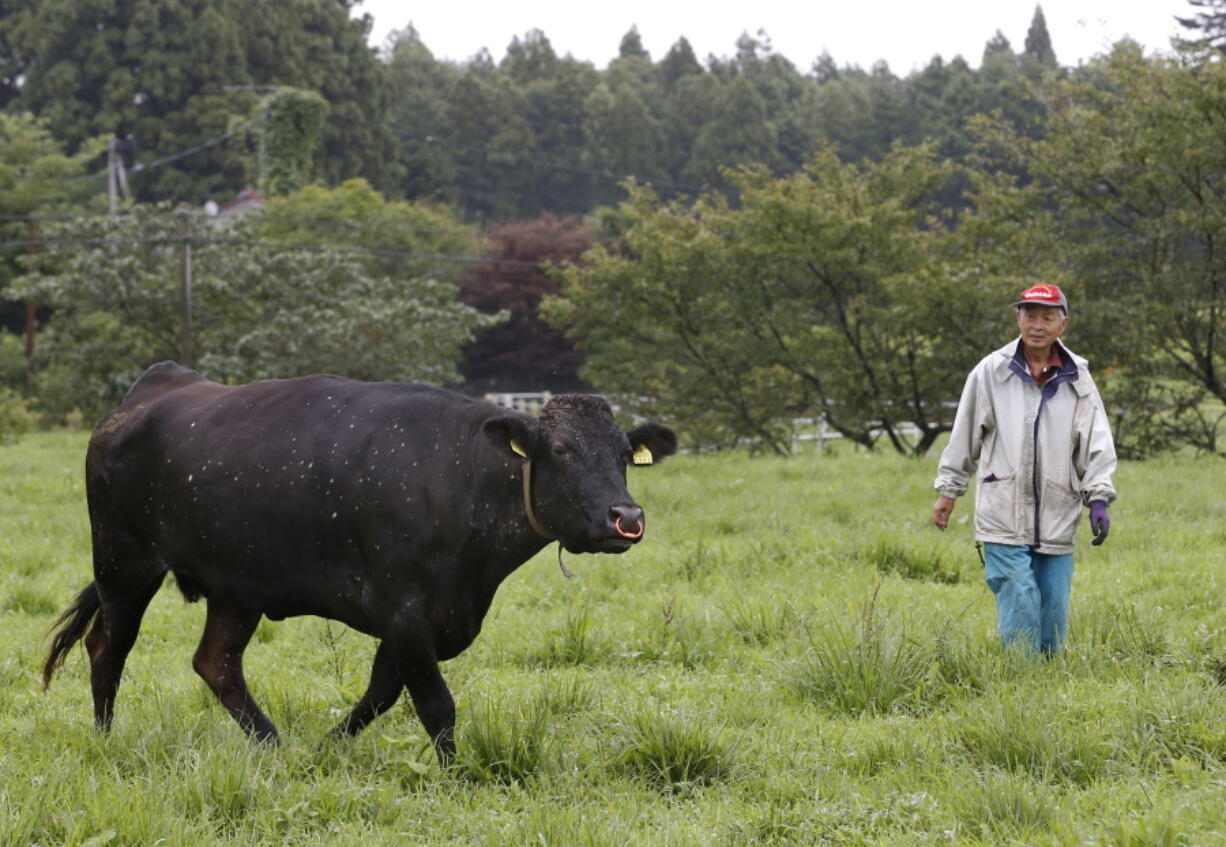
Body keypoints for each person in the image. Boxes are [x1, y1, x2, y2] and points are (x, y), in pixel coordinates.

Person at [931, 283, 1117, 655]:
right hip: (1003, 505)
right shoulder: (991, 371)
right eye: (1029, 315)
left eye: (1047, 317)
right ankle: (1020, 674)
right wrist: (949, 491)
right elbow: (965, 431)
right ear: (1018, 318)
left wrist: (1098, 498)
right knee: (1017, 591)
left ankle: (1046, 678)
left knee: (1052, 603)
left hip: (1058, 506)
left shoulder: (1078, 377)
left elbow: (1095, 440)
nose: (1037, 324)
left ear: (1063, 324)